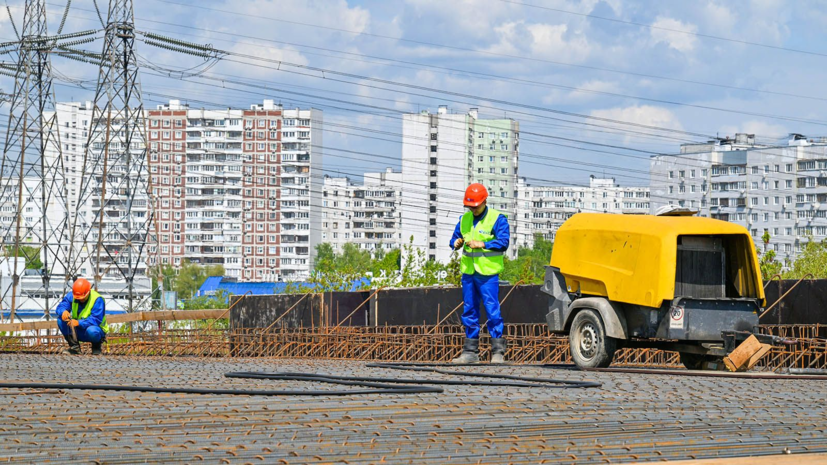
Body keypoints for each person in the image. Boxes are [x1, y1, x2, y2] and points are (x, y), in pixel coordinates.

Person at [449, 183, 510, 364]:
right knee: (469, 310)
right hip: (469, 272)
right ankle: (470, 352)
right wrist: (456, 243)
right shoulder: (464, 219)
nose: (473, 209)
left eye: (475, 206)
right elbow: (453, 239)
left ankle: (498, 351)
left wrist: (482, 244)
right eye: (470, 206)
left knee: (492, 310)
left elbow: (503, 242)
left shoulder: (497, 219)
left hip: (487, 273)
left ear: (484, 201)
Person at [55, 278, 108, 355]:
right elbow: (61, 306)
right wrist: (63, 312)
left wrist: (78, 323)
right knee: (60, 320)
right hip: (78, 330)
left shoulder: (97, 299)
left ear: (88, 292)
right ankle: (75, 348)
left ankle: (96, 347)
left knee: (92, 331)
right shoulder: (73, 295)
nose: (80, 300)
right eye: (78, 298)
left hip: (94, 330)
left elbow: (96, 320)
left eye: (82, 298)